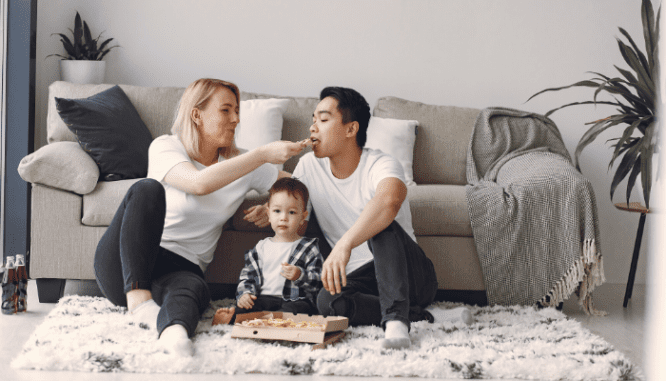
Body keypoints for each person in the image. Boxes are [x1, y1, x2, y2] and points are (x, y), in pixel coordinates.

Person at [94, 78, 307, 357]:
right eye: (226, 110)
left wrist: (274, 206)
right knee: (146, 189)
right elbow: (198, 184)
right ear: (197, 114)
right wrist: (262, 153)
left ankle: (174, 334)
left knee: (193, 288)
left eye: (237, 111)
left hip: (183, 267)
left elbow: (299, 189)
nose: (235, 119)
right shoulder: (165, 147)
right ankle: (139, 304)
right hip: (126, 266)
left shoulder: (242, 164)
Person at [294, 87, 447, 349]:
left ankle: (396, 323)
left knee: (380, 224)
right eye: (313, 119)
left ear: (350, 129)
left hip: (411, 274)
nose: (312, 128)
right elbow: (289, 205)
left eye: (323, 119)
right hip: (363, 279)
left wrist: (345, 244)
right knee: (328, 303)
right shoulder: (309, 166)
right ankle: (422, 315)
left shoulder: (381, 163)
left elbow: (388, 201)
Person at [212, 177, 323, 325]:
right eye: (277, 211)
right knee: (246, 306)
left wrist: (299, 275)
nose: (283, 218)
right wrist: (246, 293)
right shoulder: (261, 247)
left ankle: (270, 321)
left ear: (303, 217)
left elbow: (317, 282)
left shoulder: (309, 247)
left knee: (299, 310)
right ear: (268, 213)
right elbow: (248, 275)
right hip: (264, 299)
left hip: (294, 300)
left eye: (291, 212)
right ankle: (234, 317)